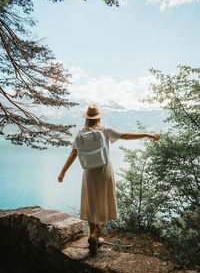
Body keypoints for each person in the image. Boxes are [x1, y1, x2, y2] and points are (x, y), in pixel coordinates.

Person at [58, 104, 160, 256]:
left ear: (86, 118)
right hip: (105, 170)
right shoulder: (105, 130)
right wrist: (146, 134)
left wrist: (62, 173)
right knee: (105, 201)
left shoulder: (80, 134)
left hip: (89, 173)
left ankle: (92, 235)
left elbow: (73, 154)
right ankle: (96, 234)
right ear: (99, 117)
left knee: (90, 202)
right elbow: (125, 136)